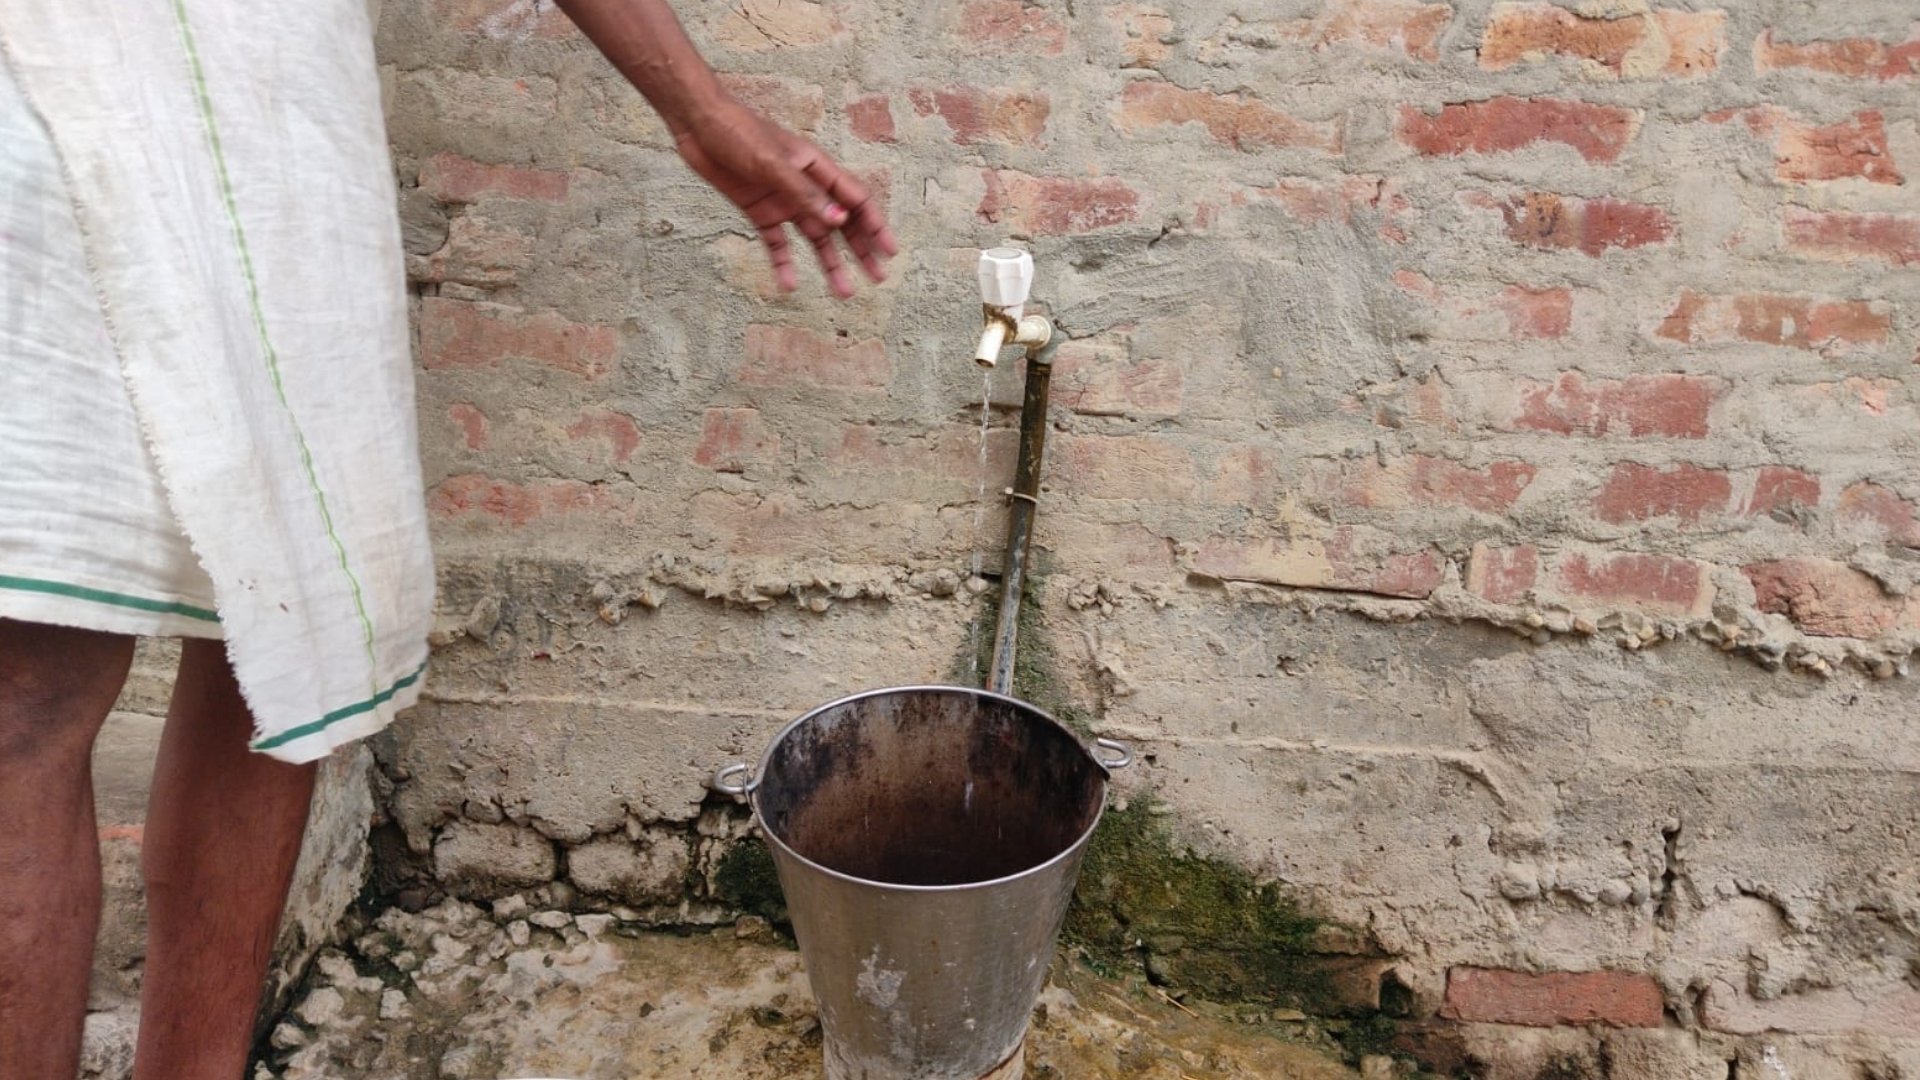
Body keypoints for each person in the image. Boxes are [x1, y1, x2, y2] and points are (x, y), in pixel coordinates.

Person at [0, 0, 895, 1076]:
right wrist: (697, 108)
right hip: (50, 85)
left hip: (285, 110)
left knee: (288, 627)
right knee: (30, 669)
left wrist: (697, 108)